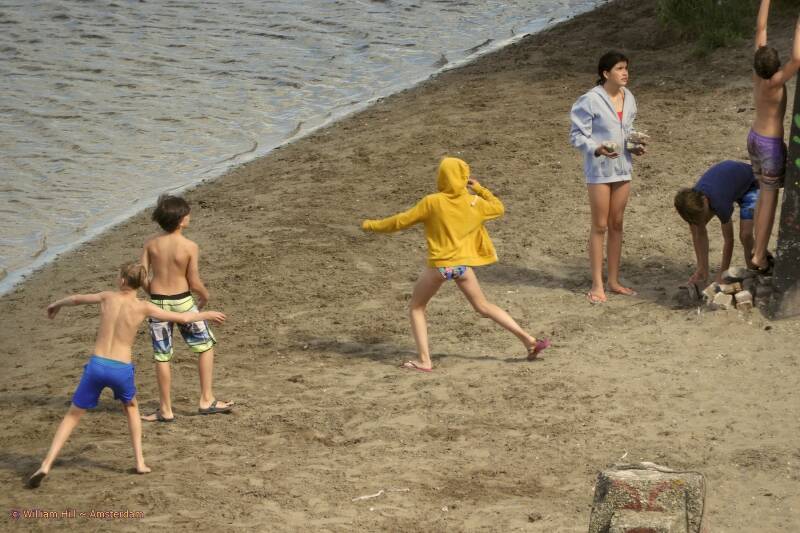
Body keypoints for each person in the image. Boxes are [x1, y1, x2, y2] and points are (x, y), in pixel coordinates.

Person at [27, 262, 227, 489]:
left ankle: (46, 463)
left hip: (97, 365)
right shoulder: (144, 307)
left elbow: (77, 298)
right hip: (120, 369)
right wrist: (206, 313)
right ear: (141, 285)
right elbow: (181, 318)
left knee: (73, 415)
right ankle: (140, 462)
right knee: (131, 408)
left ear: (122, 280)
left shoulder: (107, 297)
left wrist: (56, 304)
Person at [360, 157, 549, 372]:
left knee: (417, 307)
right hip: (462, 268)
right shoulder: (475, 203)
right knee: (483, 306)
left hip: (439, 267)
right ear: (464, 178)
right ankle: (528, 340)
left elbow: (400, 221)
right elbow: (498, 208)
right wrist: (480, 189)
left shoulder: (433, 202)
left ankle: (424, 361)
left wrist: (371, 226)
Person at [140, 195, 233, 422]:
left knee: (162, 356)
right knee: (205, 346)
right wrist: (205, 295)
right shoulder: (190, 246)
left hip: (158, 302)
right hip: (183, 302)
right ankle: (206, 399)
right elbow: (193, 281)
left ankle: (166, 409)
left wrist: (151, 292)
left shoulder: (151, 244)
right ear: (181, 220)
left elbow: (141, 274)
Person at [570, 50, 646, 304]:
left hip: (623, 168)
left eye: (626, 68)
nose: (625, 73)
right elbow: (577, 136)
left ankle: (613, 281)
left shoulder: (629, 97)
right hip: (600, 170)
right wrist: (596, 148)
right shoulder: (589, 100)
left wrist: (635, 144)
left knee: (617, 224)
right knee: (600, 225)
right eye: (619, 68)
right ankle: (597, 283)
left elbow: (629, 129)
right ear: (605, 73)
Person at [749, 0, 800, 274]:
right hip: (770, 145)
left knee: (761, 194)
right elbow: (798, 58)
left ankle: (758, 249)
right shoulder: (775, 81)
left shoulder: (758, 74)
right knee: (769, 198)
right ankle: (758, 255)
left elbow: (760, 29)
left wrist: (766, 0)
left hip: (754, 138)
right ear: (776, 65)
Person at [674, 161, 759, 286]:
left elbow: (729, 240)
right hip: (730, 184)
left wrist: (722, 275)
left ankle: (754, 272)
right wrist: (702, 268)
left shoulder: (720, 204)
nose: (702, 223)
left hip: (752, 184)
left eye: (703, 217)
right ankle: (703, 270)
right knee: (695, 228)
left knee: (745, 235)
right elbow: (698, 233)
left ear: (705, 201)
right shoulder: (692, 202)